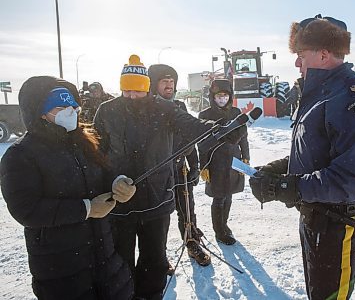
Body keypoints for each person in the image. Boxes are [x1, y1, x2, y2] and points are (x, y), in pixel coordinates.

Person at [249, 14, 355, 299]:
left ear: (324, 54)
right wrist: (279, 170)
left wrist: (288, 187)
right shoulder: (321, 92)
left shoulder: (353, 97)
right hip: (316, 214)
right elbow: (317, 154)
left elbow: (352, 180)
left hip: (338, 222)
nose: (297, 63)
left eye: (301, 55)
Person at [93, 55, 240, 299]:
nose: (131, 96)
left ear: (146, 88)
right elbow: (96, 153)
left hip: (156, 201)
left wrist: (219, 131)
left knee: (154, 260)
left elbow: (194, 126)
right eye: (126, 90)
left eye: (137, 91)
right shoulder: (107, 111)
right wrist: (110, 180)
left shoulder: (165, 108)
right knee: (120, 262)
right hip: (119, 202)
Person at [0, 76, 136, 300]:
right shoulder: (20, 155)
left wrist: (118, 182)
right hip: (60, 268)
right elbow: (25, 209)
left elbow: (103, 173)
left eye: (73, 106)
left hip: (105, 256)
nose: (71, 112)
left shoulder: (84, 142)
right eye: (61, 107)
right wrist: (86, 209)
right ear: (40, 112)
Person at [148, 63, 211, 267]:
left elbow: (189, 140)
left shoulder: (180, 107)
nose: (169, 86)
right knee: (160, 216)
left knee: (187, 208)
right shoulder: (147, 110)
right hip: (157, 172)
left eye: (172, 82)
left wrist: (194, 166)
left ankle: (191, 241)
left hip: (179, 169)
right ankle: (159, 255)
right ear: (153, 85)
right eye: (164, 81)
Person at [198, 79, 250, 245]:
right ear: (212, 97)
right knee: (219, 198)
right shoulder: (205, 115)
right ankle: (219, 232)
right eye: (218, 96)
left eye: (225, 96)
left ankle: (224, 225)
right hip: (215, 162)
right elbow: (202, 143)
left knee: (229, 196)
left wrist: (245, 157)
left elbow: (244, 138)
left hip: (233, 160)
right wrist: (203, 165)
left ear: (230, 97)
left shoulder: (236, 113)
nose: (221, 99)